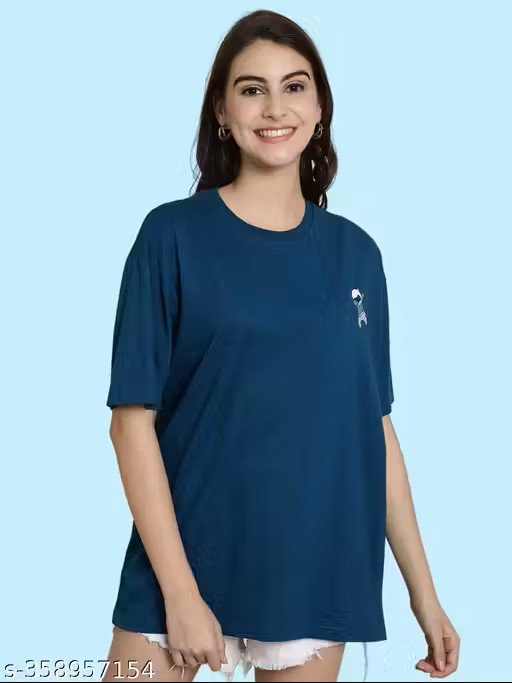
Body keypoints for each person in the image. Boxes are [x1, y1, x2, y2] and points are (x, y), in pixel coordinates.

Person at [102, 9, 460, 683]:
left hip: (316, 568)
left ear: (319, 108)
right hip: (182, 561)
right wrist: (179, 592)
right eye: (251, 89)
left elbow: (375, 432)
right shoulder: (170, 237)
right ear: (221, 111)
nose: (275, 108)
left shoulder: (357, 255)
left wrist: (426, 595)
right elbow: (130, 424)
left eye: (295, 87)